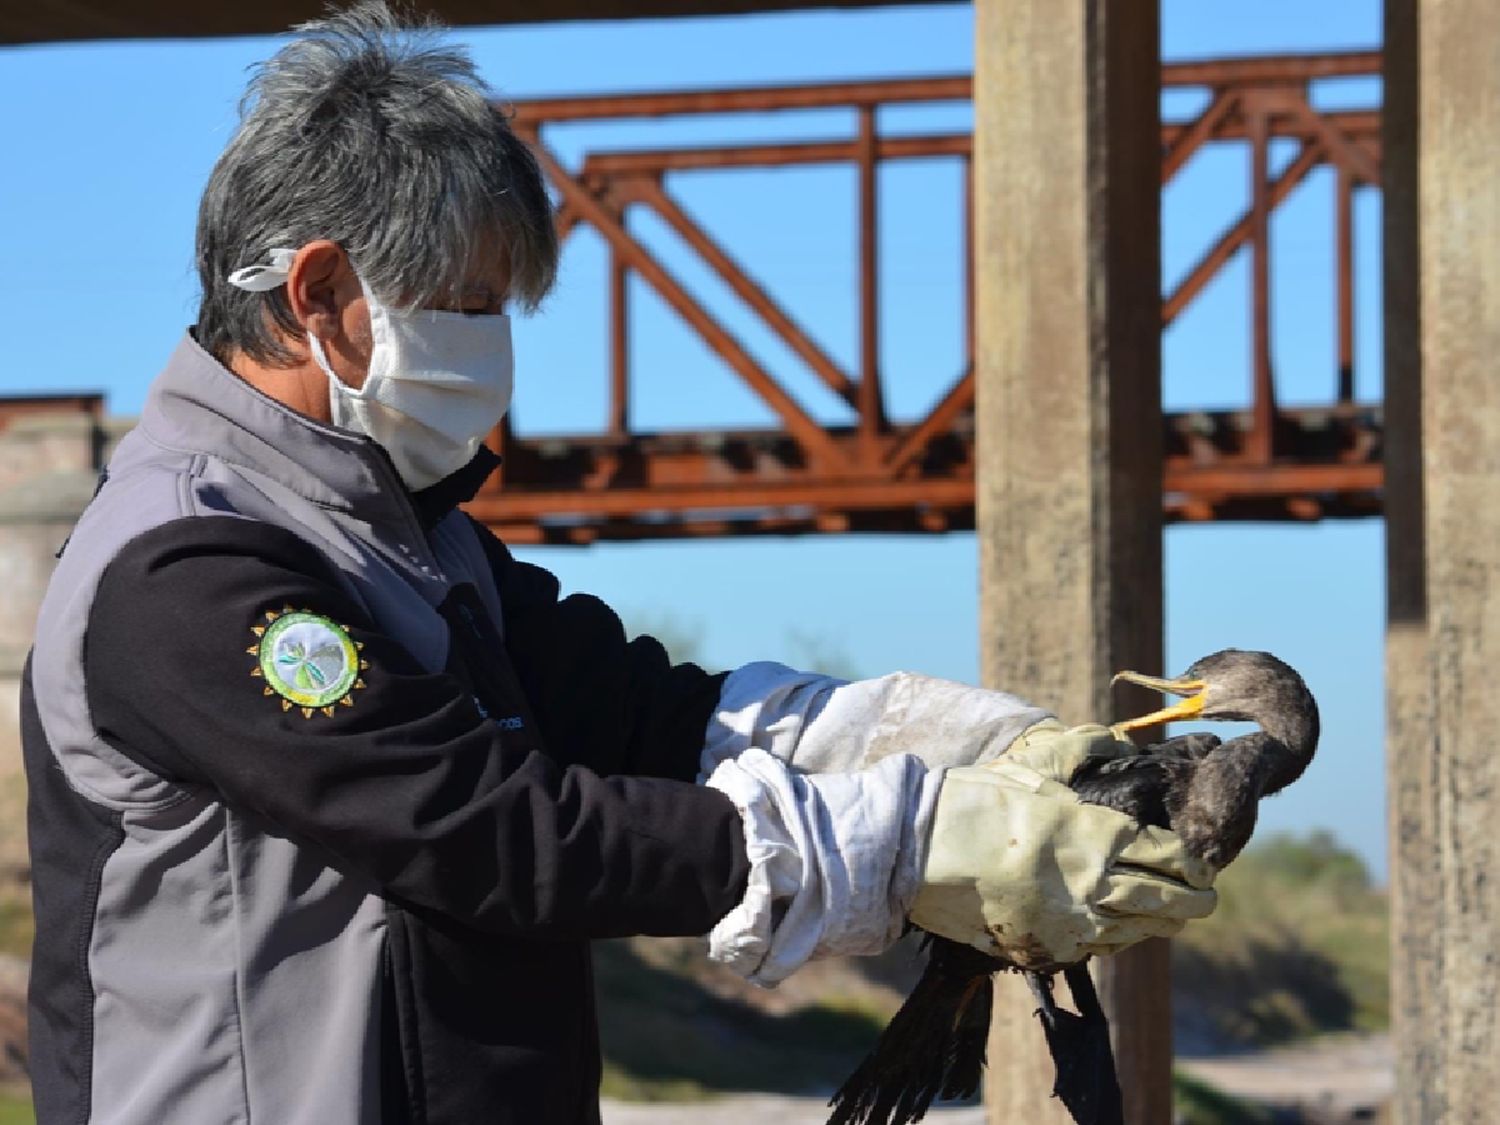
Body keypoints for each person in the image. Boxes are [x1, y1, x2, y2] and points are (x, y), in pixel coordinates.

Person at [21, 5, 1216, 1123]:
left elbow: (648, 713)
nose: (490, 350)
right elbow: (486, 831)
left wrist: (962, 748)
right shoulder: (191, 567)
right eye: (468, 304)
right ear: (322, 293)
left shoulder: (412, 540)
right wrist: (904, 847)